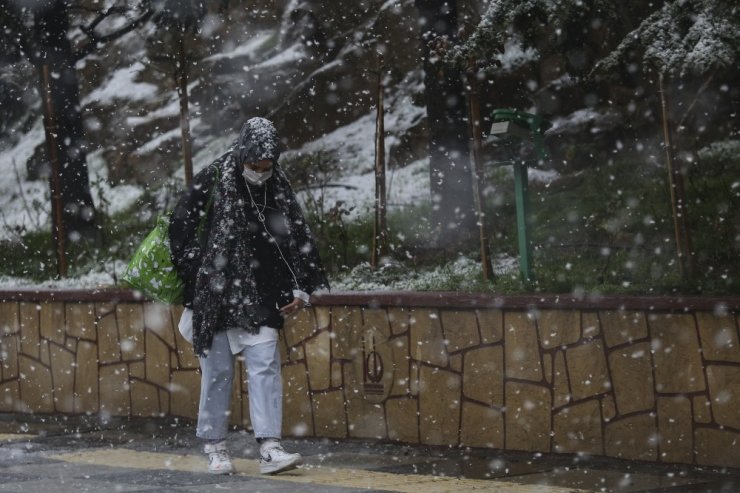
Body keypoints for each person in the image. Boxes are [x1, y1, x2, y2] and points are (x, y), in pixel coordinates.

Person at [169, 117, 329, 475]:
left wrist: (300, 286)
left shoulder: (278, 186)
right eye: (254, 165)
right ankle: (215, 445)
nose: (260, 172)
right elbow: (180, 227)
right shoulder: (213, 179)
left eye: (266, 166)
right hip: (215, 295)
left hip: (260, 294)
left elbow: (294, 236)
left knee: (265, 364)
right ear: (242, 154)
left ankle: (270, 446)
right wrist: (201, 268)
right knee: (218, 372)